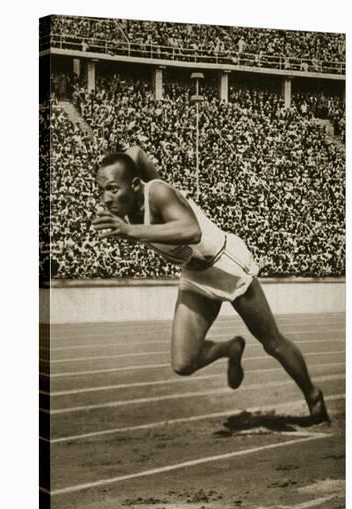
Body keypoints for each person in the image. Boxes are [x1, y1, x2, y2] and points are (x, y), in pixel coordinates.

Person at [92, 145, 329, 423]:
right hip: (195, 275)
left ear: (133, 184)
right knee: (183, 362)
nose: (106, 198)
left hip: (224, 264)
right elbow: (135, 152)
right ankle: (229, 348)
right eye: (102, 190)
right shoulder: (128, 205)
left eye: (112, 189)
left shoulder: (157, 192)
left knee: (272, 343)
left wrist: (132, 231)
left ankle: (313, 396)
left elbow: (192, 231)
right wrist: (123, 180)